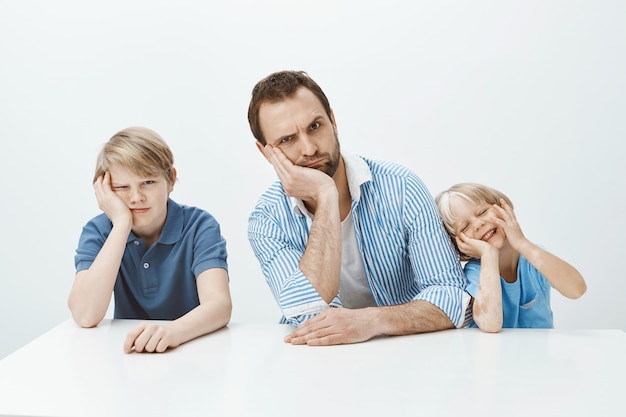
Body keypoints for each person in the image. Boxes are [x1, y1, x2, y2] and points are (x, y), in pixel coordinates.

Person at [247, 70, 470, 346]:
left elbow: (453, 297)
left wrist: (372, 320)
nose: (308, 149)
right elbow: (305, 311)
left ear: (333, 120)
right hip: (319, 365)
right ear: (265, 152)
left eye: (315, 126)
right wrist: (325, 194)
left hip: (408, 353)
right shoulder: (267, 219)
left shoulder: (402, 189)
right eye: (287, 140)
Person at [69, 127, 232, 353]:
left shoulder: (200, 225)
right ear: (105, 191)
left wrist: (173, 332)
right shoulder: (99, 231)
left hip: (193, 349)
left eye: (148, 182)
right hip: (129, 354)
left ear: (171, 180)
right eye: (122, 187)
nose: (137, 197)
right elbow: (85, 315)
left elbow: (219, 305)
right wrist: (122, 224)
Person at [435, 182, 586, 332]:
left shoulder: (533, 257)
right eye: (464, 227)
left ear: (503, 208)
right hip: (495, 356)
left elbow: (577, 289)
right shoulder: (475, 273)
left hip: (538, 355)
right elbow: (490, 324)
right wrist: (488, 255)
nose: (478, 224)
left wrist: (521, 242)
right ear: (458, 244)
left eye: (482, 212)